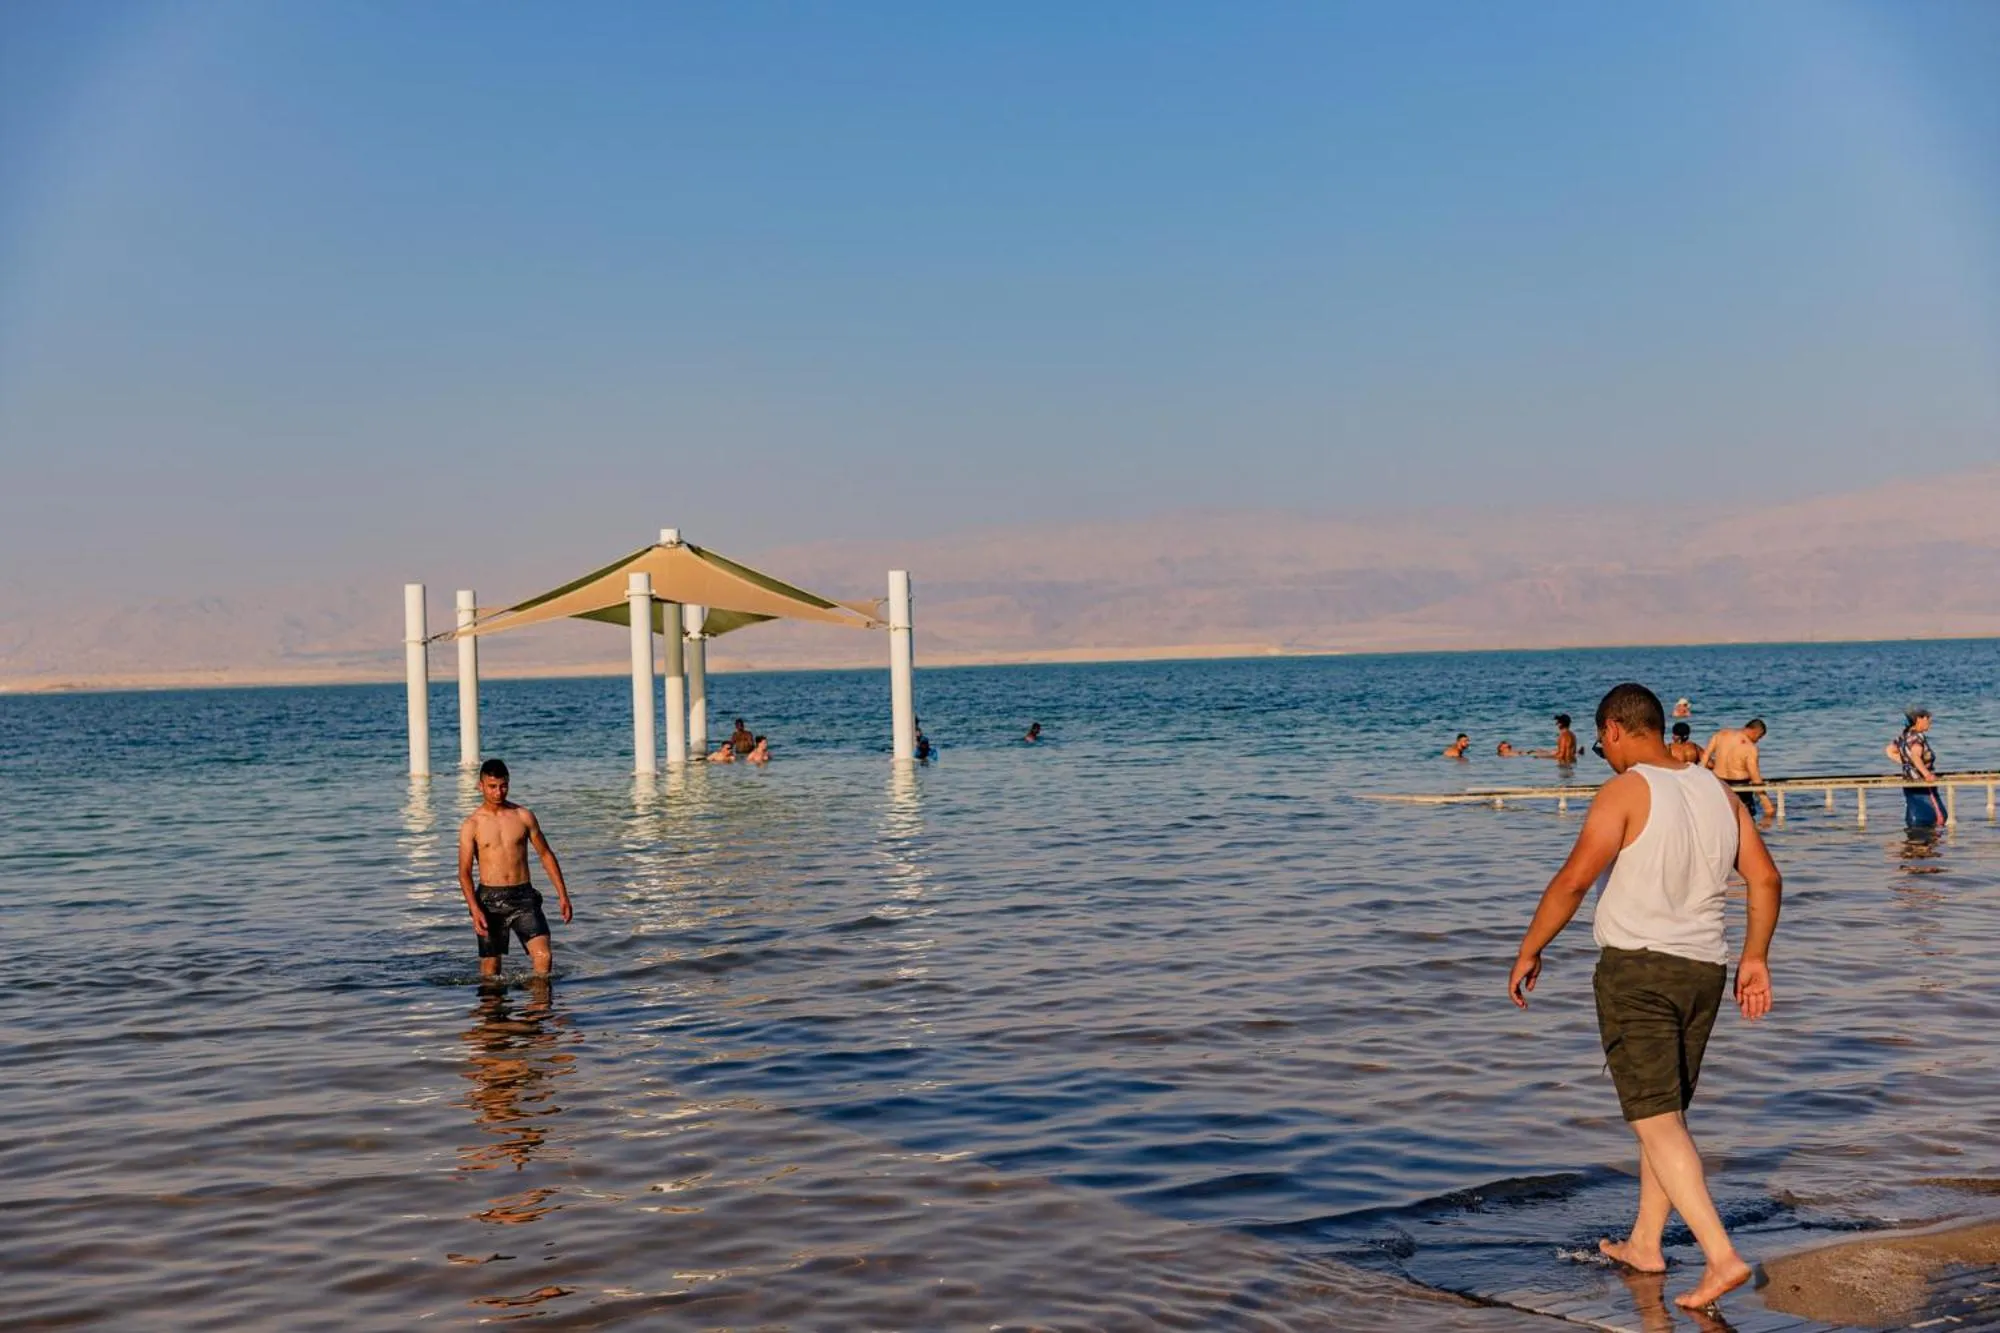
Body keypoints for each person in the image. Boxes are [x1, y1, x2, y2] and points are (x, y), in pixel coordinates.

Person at [1510, 683, 1780, 1313]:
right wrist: (1756, 956)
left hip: (1639, 972)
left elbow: (1575, 879)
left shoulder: (1625, 790)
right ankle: (1645, 1243)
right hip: (1704, 971)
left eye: (1602, 742)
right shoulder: (1715, 791)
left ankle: (1721, 1257)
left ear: (1611, 730)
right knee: (1665, 1116)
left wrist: (1530, 948)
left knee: (1654, 1118)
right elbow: (1765, 877)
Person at [457, 759, 575, 978]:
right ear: (480, 786)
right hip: (489, 901)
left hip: (524, 898)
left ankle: (539, 1010)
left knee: (544, 957)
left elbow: (546, 855)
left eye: (503, 786)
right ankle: (493, 1011)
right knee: (491, 972)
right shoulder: (472, 825)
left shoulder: (523, 816)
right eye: (492, 787)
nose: (498, 792)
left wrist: (563, 895)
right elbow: (464, 873)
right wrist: (474, 909)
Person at [1702, 719, 1772, 819]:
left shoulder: (1721, 734)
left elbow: (1705, 758)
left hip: (1719, 783)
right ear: (1756, 732)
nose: (1757, 740)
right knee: (1745, 819)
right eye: (1759, 737)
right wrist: (1766, 804)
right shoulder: (1751, 748)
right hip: (1741, 785)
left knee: (1722, 816)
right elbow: (1755, 777)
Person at [1892, 708, 1945, 827]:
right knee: (1928, 818)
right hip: (1921, 783)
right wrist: (1926, 774)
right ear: (1918, 719)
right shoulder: (1917, 737)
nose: (1930, 721)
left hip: (1909, 781)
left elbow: (1890, 751)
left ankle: (1915, 841)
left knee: (1915, 813)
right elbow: (1916, 757)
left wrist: (1907, 763)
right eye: (1927, 718)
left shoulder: (1903, 736)